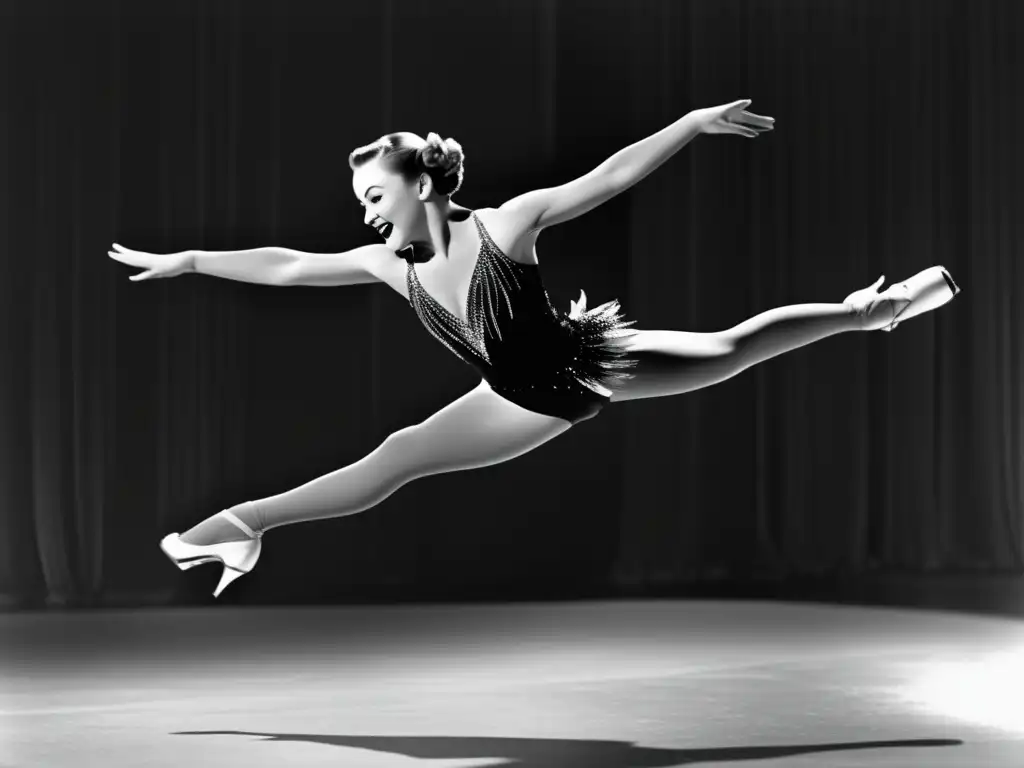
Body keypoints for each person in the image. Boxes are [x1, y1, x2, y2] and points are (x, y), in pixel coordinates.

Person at [109, 99, 960, 598]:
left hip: (573, 369)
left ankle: (868, 312)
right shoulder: (382, 261)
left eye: (377, 193)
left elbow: (610, 177)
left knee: (732, 348)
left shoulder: (505, 226)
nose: (366, 212)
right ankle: (243, 527)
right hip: (513, 393)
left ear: (426, 184)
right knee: (396, 456)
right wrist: (190, 259)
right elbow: (289, 266)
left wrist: (691, 123)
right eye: (362, 199)